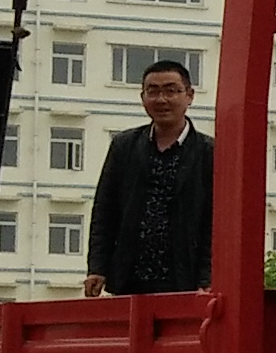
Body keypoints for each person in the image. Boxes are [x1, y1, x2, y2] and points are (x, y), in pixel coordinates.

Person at [85, 56, 214, 297]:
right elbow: (105, 210)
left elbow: (214, 221)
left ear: (190, 96)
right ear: (142, 97)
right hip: (129, 279)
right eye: (152, 91)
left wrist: (207, 276)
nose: (162, 99)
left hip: (184, 280)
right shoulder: (124, 146)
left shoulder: (210, 152)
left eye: (171, 91)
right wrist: (97, 267)